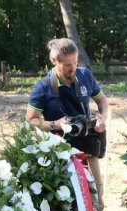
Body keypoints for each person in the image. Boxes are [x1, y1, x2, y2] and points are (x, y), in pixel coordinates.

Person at [26, 38, 110, 202]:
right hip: (59, 152)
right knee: (68, 203)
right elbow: (31, 120)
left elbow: (102, 101)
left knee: (96, 199)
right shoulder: (42, 87)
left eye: (75, 62)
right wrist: (55, 124)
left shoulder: (85, 75)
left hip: (87, 147)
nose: (73, 68)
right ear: (54, 60)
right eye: (67, 65)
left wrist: (103, 119)